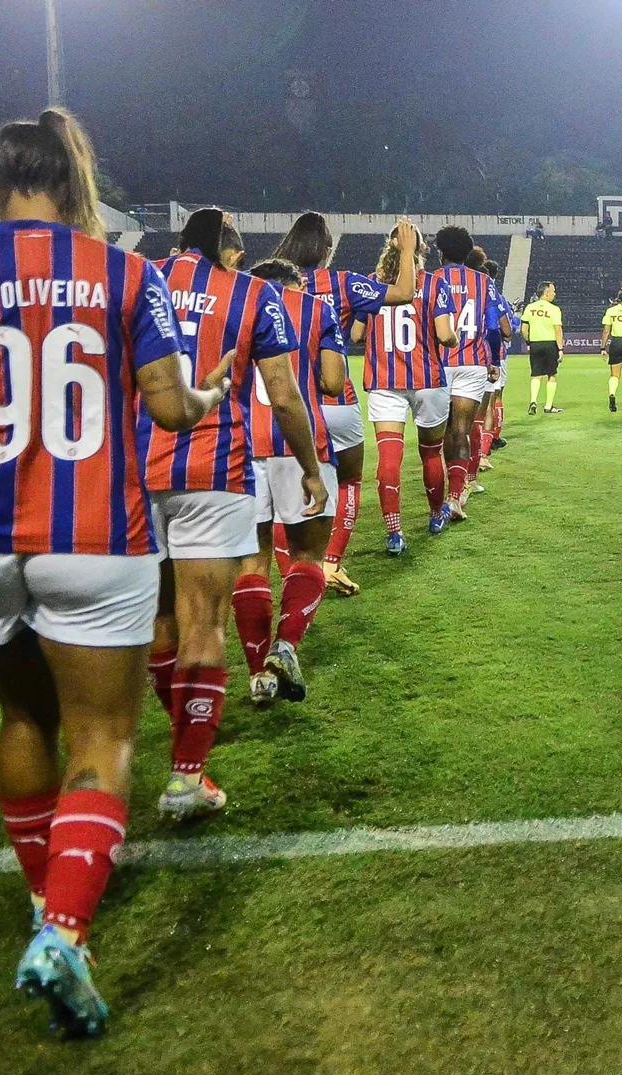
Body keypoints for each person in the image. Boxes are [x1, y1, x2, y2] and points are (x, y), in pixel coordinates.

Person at [0, 108, 227, 1037]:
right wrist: (208, 395)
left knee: (23, 713)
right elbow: (166, 408)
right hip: (93, 536)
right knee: (103, 735)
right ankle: (67, 931)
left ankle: (44, 905)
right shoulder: (125, 272)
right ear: (75, 187)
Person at [143, 215, 313, 810]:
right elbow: (285, 395)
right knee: (203, 621)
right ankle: (187, 774)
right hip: (213, 468)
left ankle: (181, 744)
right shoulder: (251, 293)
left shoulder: (138, 278)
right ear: (229, 252)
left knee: (159, 622)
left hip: (135, 472)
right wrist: (312, 468)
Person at [271, 213, 419, 597]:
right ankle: (331, 563)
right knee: (350, 480)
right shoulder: (343, 283)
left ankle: (294, 575)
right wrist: (406, 251)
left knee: (278, 494)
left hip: (278, 404)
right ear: (327, 249)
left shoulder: (262, 285)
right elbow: (403, 292)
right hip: (336, 402)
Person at [234, 258, 344, 707]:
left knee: (252, 564)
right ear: (297, 283)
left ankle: (259, 676)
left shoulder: (237, 305)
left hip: (240, 447)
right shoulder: (316, 309)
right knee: (308, 556)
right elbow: (334, 382)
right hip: (301, 445)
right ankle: (287, 646)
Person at [360, 227, 456, 552]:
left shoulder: (371, 283)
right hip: (427, 379)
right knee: (431, 453)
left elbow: (357, 333)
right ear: (422, 247)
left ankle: (394, 533)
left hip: (384, 382)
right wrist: (454, 339)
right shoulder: (433, 283)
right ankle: (435, 514)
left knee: (389, 459)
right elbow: (445, 336)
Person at [432, 229, 504, 519]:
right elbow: (494, 328)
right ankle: (456, 495)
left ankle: (437, 501)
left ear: (441, 252)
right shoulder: (483, 281)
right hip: (472, 362)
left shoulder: (431, 279)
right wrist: (494, 359)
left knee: (437, 435)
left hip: (438, 362)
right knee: (461, 429)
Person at [478, 257, 516, 469]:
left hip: (460, 356)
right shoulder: (496, 297)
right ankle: (487, 445)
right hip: (493, 354)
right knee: (492, 400)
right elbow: (507, 330)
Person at [523, 281, 564, 415]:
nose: (555, 293)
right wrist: (560, 349)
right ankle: (548, 406)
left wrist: (528, 342)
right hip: (550, 344)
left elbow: (524, 328)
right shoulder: (554, 309)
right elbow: (557, 329)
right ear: (546, 293)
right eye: (553, 290)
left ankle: (533, 401)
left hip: (535, 343)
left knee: (536, 374)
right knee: (552, 374)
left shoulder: (529, 307)